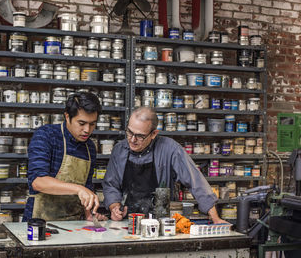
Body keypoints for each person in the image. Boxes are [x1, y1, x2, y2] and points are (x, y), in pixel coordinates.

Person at [103, 107, 227, 224]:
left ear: (153, 134)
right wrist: (114, 206)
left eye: (140, 136)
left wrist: (215, 218)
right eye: (130, 132)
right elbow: (110, 184)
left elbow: (195, 180)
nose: (132, 140)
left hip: (161, 222)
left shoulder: (170, 149)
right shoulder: (119, 150)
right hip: (128, 221)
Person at [23, 92, 106, 222]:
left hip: (74, 223)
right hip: (41, 222)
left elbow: (87, 186)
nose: (87, 130)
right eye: (82, 123)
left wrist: (89, 214)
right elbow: (38, 182)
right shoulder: (46, 135)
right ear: (67, 117)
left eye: (92, 124)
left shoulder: (89, 147)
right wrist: (79, 189)